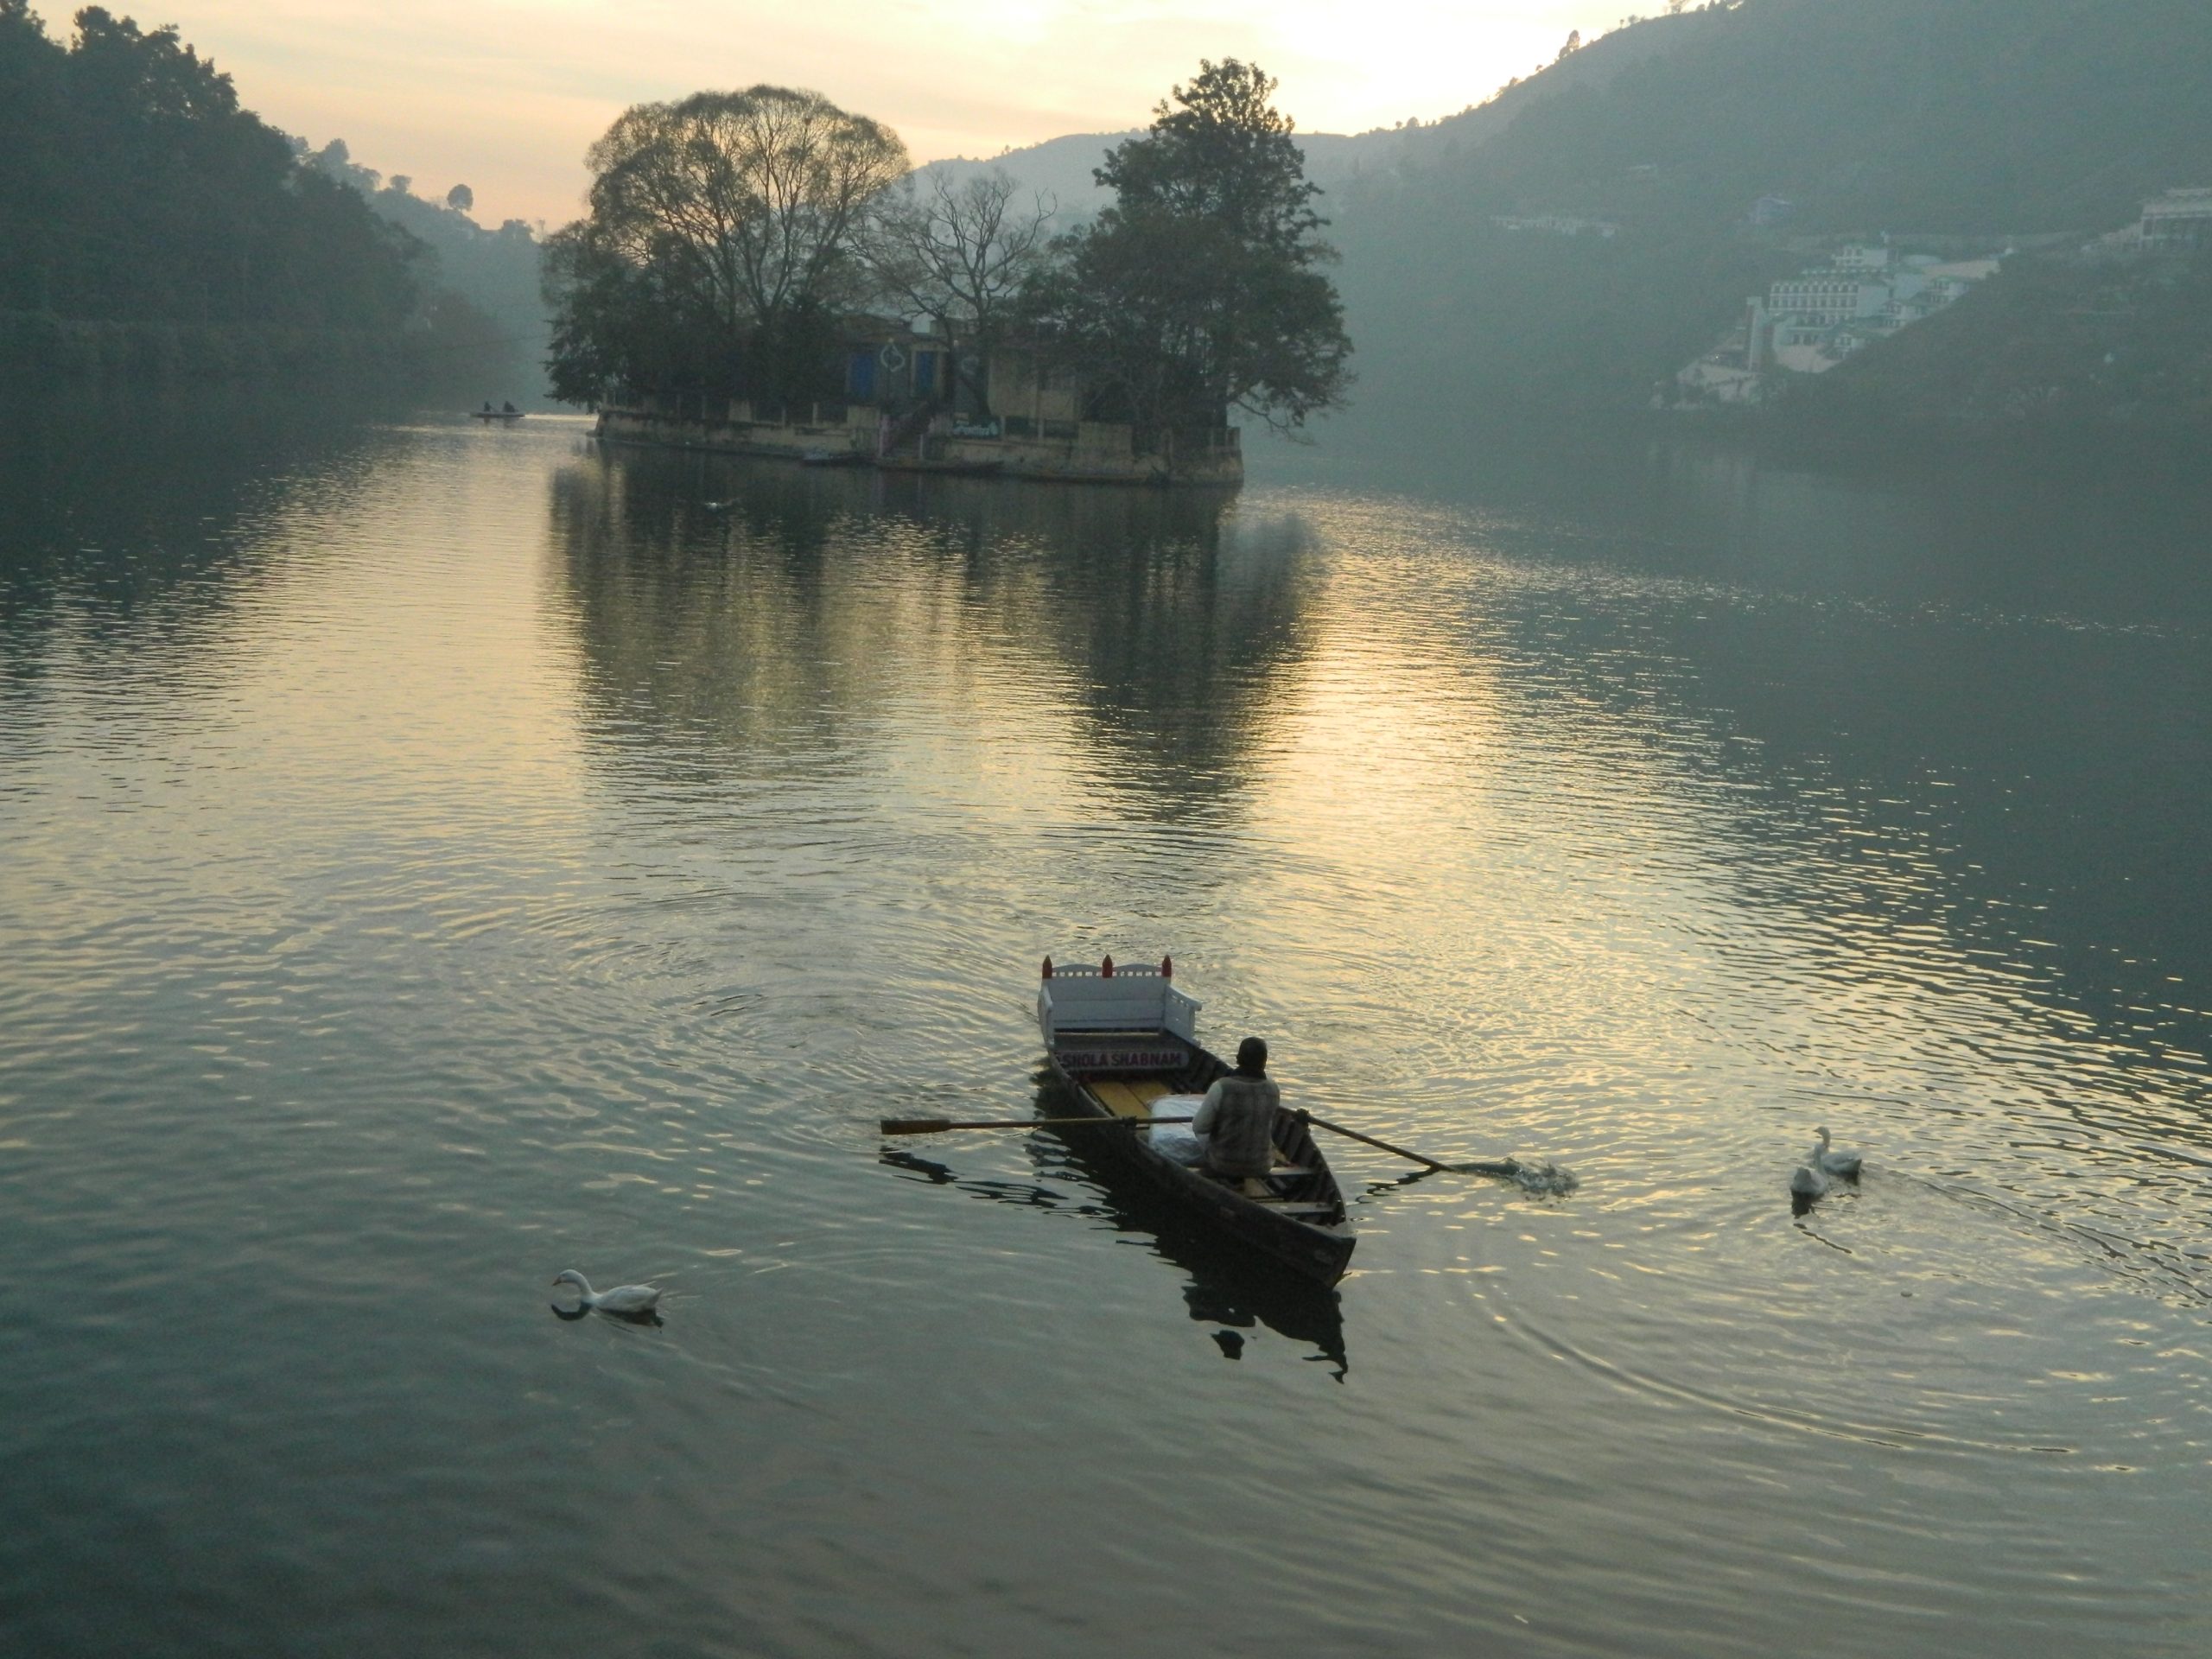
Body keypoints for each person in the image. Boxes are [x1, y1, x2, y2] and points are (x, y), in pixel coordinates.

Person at [1191, 1037, 1280, 1186]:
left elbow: (1199, 1127)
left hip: (1222, 1165)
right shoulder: (1273, 1089)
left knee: (1202, 1132)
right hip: (1262, 1166)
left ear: (1238, 1059)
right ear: (1264, 1062)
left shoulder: (1220, 1087)